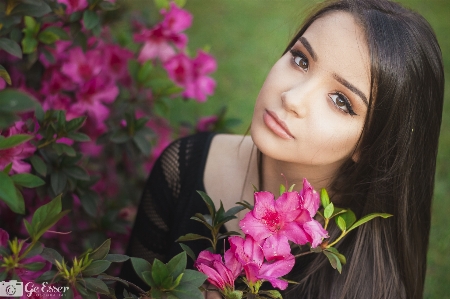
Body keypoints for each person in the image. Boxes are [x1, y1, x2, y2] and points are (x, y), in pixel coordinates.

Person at [117, 0, 444, 298]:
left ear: (371, 147)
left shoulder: (369, 282)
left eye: (341, 101)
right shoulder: (186, 164)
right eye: (301, 60)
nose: (293, 97)